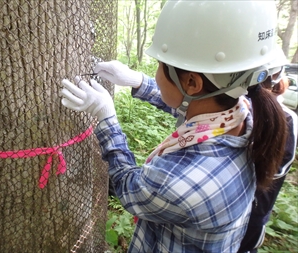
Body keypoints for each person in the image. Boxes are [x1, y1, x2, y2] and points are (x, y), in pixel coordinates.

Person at [60, 1, 288, 252]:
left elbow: (130, 188)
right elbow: (190, 106)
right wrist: (137, 82)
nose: (156, 72)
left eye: (160, 65)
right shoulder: (241, 112)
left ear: (192, 82)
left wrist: (106, 118)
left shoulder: (183, 181)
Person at [237, 51, 298, 253]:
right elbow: (278, 169)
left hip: (247, 213)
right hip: (254, 212)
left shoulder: (238, 110)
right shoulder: (287, 118)